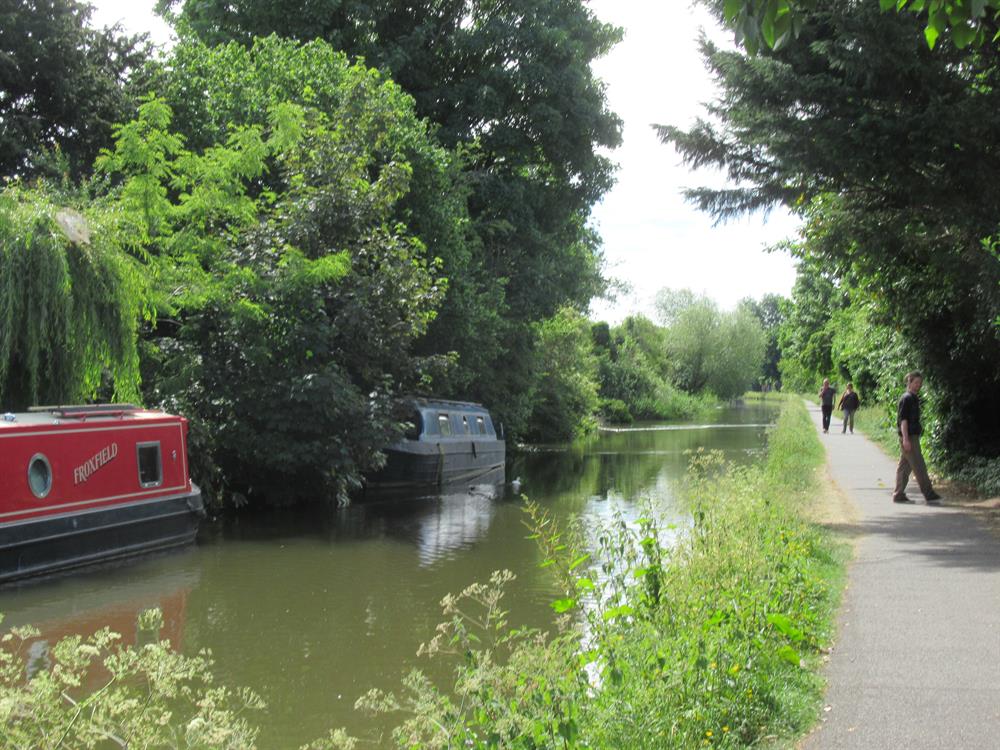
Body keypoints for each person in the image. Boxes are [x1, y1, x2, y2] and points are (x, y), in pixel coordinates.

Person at [892, 371, 942, 505]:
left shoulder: (914, 398)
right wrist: (906, 439)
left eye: (920, 383)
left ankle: (898, 494)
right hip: (909, 437)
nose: (918, 385)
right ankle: (929, 493)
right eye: (915, 383)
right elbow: (903, 420)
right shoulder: (906, 398)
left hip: (912, 436)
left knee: (905, 466)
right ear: (909, 382)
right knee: (919, 465)